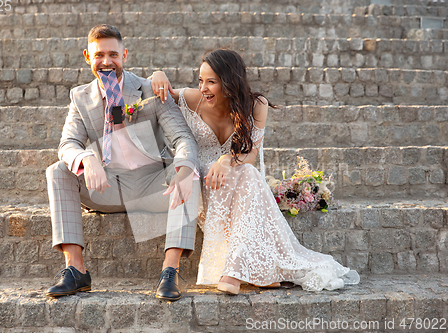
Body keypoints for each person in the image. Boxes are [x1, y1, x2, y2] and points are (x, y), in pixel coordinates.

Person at [151, 49, 360, 294]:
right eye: (200, 80)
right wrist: (158, 72)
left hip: (236, 176)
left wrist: (227, 159)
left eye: (211, 82)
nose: (203, 87)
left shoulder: (256, 105)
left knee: (247, 173)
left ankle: (233, 272)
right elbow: (159, 91)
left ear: (229, 82)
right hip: (205, 182)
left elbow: (249, 157)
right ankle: (244, 273)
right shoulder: (191, 98)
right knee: (242, 175)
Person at [45, 24, 201, 301]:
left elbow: (183, 138)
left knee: (188, 171)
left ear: (124, 55)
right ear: (87, 57)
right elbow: (67, 144)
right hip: (106, 186)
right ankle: (76, 270)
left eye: (113, 55)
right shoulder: (80, 97)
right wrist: (87, 157)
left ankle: (170, 271)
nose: (106, 61)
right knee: (58, 170)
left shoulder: (151, 89)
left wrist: (185, 168)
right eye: (99, 55)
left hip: (153, 185)